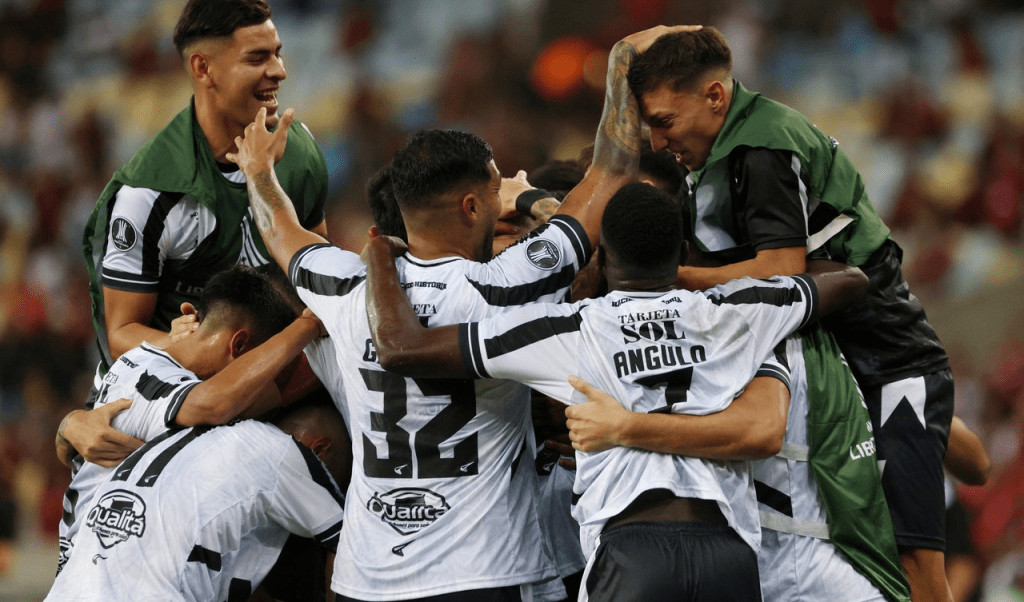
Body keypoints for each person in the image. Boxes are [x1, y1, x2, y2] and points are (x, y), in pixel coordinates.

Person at [225, 24, 699, 600]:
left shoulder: (347, 287)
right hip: (481, 573)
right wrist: (622, 65)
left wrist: (258, 172)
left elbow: (282, 232)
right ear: (473, 205)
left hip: (367, 578)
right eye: (497, 192)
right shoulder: (507, 285)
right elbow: (608, 174)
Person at [361, 182, 870, 602]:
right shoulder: (732, 313)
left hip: (633, 552)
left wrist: (380, 256)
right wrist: (702, 280)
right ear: (680, 253)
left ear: (601, 257)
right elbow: (849, 279)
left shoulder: (571, 327)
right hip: (729, 553)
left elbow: (401, 347)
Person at [627, 26, 953, 602]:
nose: (657, 141)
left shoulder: (760, 150)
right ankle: (952, 434)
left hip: (882, 357)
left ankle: (943, 423)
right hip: (826, 352)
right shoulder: (719, 145)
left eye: (663, 122)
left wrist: (667, 281)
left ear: (714, 98)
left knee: (913, 555)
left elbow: (781, 267)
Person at [81, 0, 328, 407]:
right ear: (203, 69)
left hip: (271, 371)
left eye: (278, 54)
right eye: (258, 58)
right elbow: (123, 333)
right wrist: (193, 349)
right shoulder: (150, 192)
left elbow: (315, 275)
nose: (279, 71)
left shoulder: (299, 152)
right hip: (171, 391)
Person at [54, 265, 330, 574]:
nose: (254, 381)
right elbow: (216, 403)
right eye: (256, 361)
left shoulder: (174, 378)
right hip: (98, 573)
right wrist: (307, 325)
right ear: (239, 346)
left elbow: (277, 389)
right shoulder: (145, 367)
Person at [44, 399, 347, 602]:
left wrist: (68, 423)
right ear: (319, 450)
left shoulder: (170, 430)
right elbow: (352, 553)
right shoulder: (284, 455)